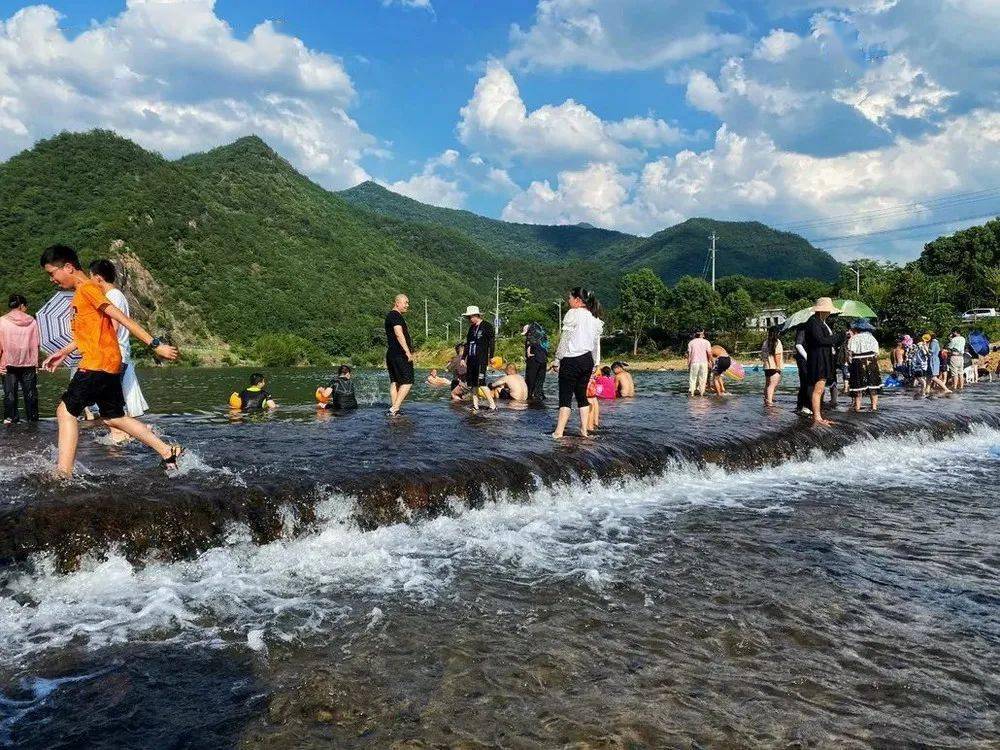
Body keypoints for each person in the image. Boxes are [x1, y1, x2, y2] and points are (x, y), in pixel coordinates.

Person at [39, 244, 182, 477]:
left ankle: (63, 474)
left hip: (97, 363)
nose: (52, 279)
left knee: (65, 412)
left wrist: (155, 345)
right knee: (114, 417)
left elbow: (122, 318)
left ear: (68, 267)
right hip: (108, 363)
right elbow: (89, 335)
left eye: (52, 273)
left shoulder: (88, 289)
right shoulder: (81, 295)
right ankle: (168, 451)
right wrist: (63, 352)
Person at [88, 259, 149, 443]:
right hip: (117, 354)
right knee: (111, 400)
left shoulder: (113, 297)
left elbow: (112, 328)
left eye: (91, 277)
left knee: (107, 401)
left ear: (98, 278)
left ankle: (123, 435)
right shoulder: (116, 295)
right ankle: (124, 434)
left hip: (113, 355)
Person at [552, 287, 603, 439]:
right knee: (582, 396)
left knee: (565, 397)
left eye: (569, 298)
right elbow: (595, 344)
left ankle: (559, 432)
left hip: (571, 359)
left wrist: (557, 359)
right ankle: (584, 431)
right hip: (587, 360)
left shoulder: (572, 314)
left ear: (577, 300)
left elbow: (565, 339)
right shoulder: (594, 318)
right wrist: (595, 363)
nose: (568, 301)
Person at [803, 297, 846, 427]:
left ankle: (818, 415)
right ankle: (817, 417)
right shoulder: (814, 322)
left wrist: (838, 337)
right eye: (828, 310)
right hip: (818, 359)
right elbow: (821, 340)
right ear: (822, 310)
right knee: (818, 388)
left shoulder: (819, 321)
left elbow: (825, 339)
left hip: (822, 357)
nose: (829, 313)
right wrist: (839, 336)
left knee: (819, 388)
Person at [0, 293, 40, 425]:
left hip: (8, 363)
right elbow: (36, 343)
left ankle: (10, 420)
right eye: (25, 306)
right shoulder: (32, 321)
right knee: (30, 394)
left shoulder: (2, 321)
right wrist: (36, 363)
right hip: (29, 362)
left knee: (10, 394)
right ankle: (33, 420)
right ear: (22, 305)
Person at [461, 306, 496, 411]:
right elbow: (467, 344)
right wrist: (463, 358)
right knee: (472, 384)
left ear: (476, 315)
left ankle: (492, 405)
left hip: (481, 359)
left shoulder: (487, 326)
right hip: (471, 359)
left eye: (470, 317)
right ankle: (475, 405)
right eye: (468, 317)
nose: (469, 319)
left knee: (481, 382)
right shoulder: (471, 328)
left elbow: (492, 342)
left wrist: (491, 356)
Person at [385, 294, 414, 416]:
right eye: (405, 302)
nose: (407, 305)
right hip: (400, 353)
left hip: (391, 353)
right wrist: (407, 352)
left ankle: (394, 410)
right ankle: (394, 408)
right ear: (397, 303)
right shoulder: (395, 315)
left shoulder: (390, 315)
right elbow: (398, 333)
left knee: (395, 382)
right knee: (407, 381)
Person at [846, 320, 882, 411]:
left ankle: (857, 407)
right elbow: (876, 352)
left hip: (857, 362)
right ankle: (874, 407)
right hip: (871, 362)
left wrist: (849, 363)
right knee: (873, 385)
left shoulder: (853, 338)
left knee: (858, 386)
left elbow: (849, 353)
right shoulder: (872, 338)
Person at [522, 322, 548, 401]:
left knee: (530, 381)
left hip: (534, 360)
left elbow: (528, 349)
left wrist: (528, 354)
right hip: (543, 360)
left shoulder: (530, 336)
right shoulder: (542, 336)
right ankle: (539, 396)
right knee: (540, 381)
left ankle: (529, 397)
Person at [760, 325, 783, 407]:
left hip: (767, 367)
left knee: (767, 385)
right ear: (777, 333)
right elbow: (777, 355)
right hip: (774, 367)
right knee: (772, 385)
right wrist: (778, 367)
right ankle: (770, 403)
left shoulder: (765, 342)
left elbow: (763, 355)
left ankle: (766, 400)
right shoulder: (777, 342)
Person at [687, 329, 711, 396]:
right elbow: (709, 353)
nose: (704, 334)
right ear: (701, 334)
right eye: (703, 333)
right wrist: (710, 361)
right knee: (703, 379)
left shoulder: (691, 342)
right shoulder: (706, 342)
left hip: (694, 362)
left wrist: (688, 363)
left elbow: (689, 354)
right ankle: (702, 393)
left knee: (693, 378)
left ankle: (692, 393)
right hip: (704, 362)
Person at [794, 324, 811, 415]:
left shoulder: (808, 328)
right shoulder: (803, 328)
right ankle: (804, 406)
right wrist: (808, 358)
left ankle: (801, 405)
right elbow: (798, 345)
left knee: (806, 384)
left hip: (805, 359)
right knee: (806, 383)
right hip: (804, 360)